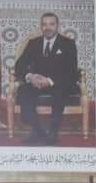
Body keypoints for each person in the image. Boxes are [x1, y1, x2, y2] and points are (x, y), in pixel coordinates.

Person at [13, 12, 78, 144]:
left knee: (60, 92)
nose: (47, 28)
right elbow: (19, 65)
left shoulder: (68, 44)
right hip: (37, 83)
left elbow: (71, 71)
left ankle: (53, 132)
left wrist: (49, 81)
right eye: (44, 24)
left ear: (57, 26)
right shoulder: (33, 43)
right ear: (41, 26)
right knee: (23, 91)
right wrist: (30, 76)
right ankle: (38, 130)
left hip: (58, 83)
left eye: (51, 24)